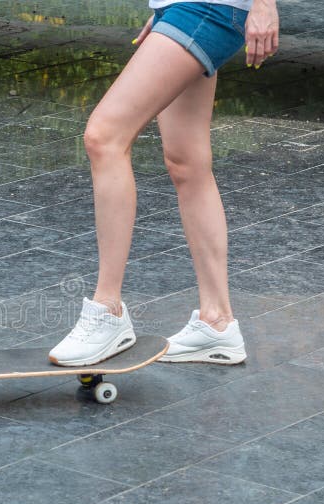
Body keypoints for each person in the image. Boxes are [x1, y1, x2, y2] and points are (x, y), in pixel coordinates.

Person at [49, 0, 279, 367]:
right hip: (188, 9)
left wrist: (264, 4)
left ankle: (107, 311)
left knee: (104, 137)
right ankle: (217, 323)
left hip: (208, 9)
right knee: (187, 162)